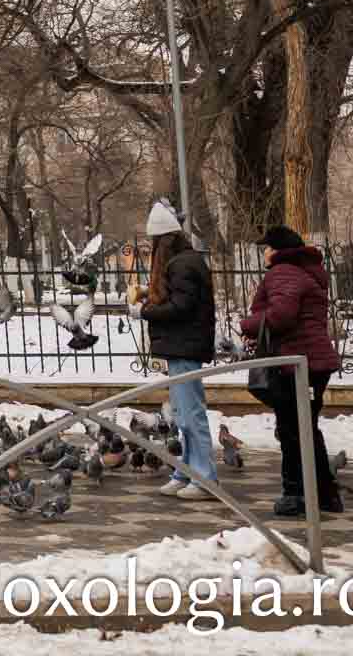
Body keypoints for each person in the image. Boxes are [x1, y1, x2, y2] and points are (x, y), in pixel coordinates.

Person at [240, 224, 343, 516]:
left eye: (267, 248)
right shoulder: (307, 271)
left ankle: (295, 494)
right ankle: (325, 495)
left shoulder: (283, 271)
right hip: (314, 362)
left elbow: (282, 315)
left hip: (295, 364)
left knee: (291, 430)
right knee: (305, 428)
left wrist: (247, 325)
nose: (265, 254)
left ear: (278, 250)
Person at [127, 202, 218, 500]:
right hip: (181, 347)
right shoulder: (184, 262)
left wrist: (144, 311)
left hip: (185, 347)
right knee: (182, 416)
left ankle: (204, 479)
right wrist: (149, 295)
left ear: (163, 242)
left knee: (191, 415)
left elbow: (181, 307)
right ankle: (186, 473)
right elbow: (178, 298)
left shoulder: (182, 265)